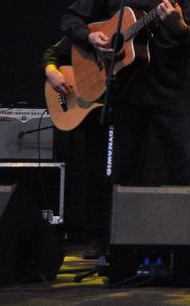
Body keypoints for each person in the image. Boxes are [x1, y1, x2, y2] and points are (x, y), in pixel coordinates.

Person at [60, 0, 190, 227]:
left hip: (171, 93)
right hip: (125, 95)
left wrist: (179, 26)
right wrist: (91, 37)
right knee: (122, 174)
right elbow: (71, 18)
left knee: (185, 171)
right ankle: (118, 244)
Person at [43, 36, 110, 259]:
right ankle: (96, 238)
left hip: (121, 112)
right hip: (95, 118)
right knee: (95, 175)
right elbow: (52, 54)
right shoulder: (89, 31)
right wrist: (52, 72)